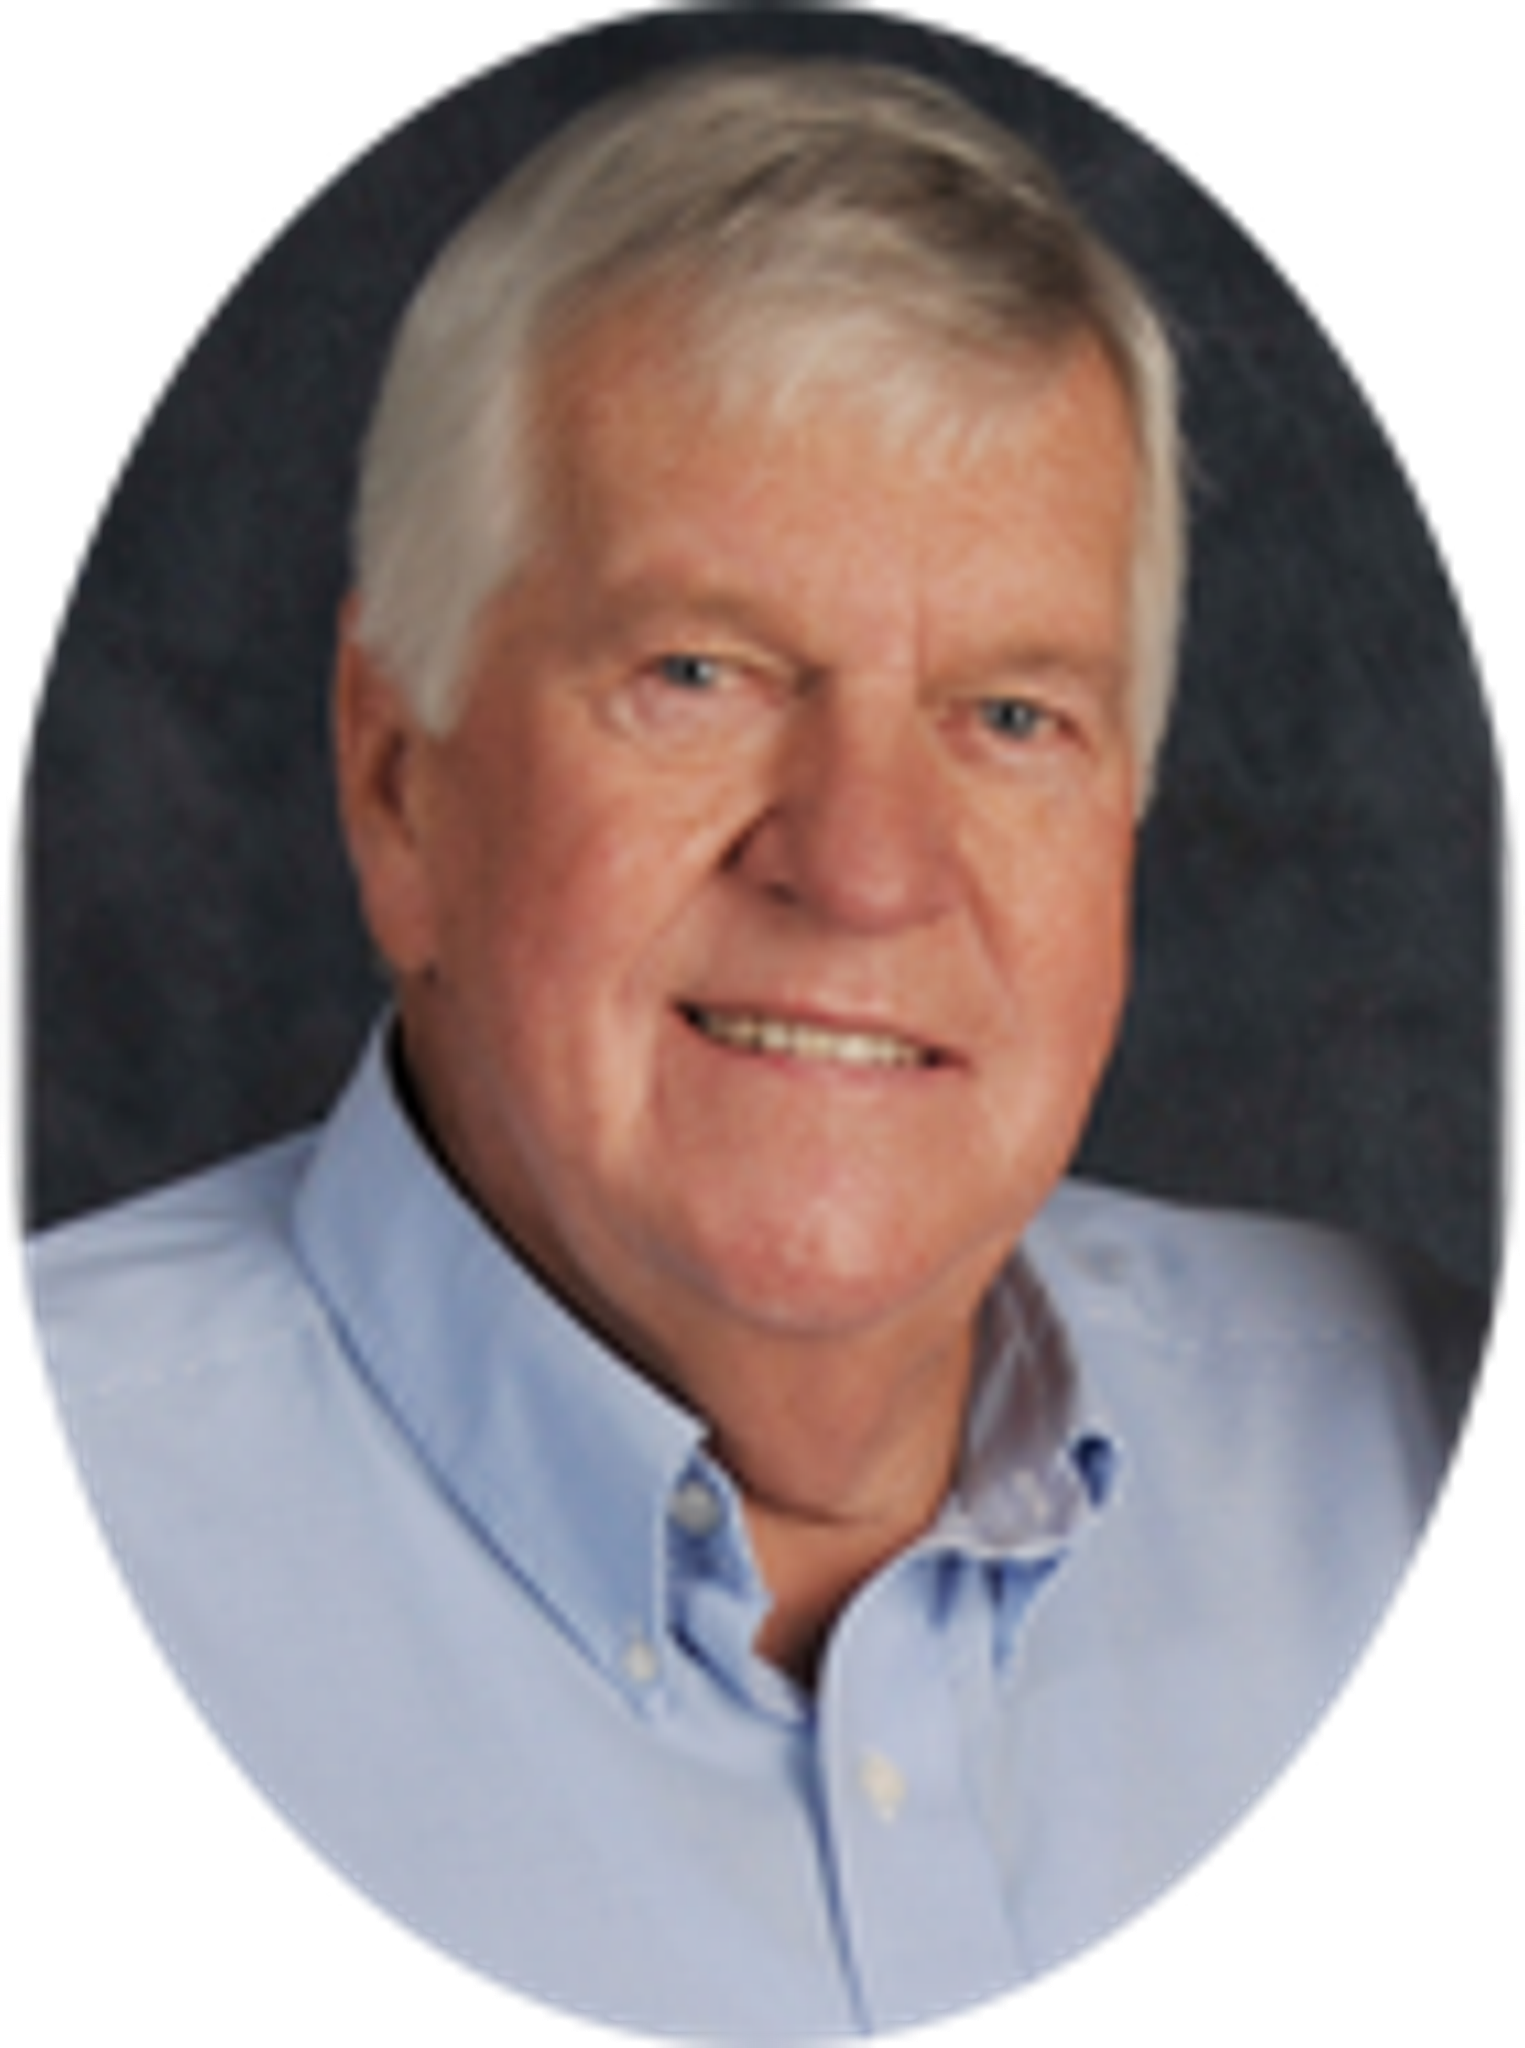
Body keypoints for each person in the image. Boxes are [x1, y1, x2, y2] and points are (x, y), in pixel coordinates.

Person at [23, 56, 1493, 2043]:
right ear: (396, 779)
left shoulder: (1399, 1448)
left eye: (1012, 716)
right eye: (699, 672)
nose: (864, 867)